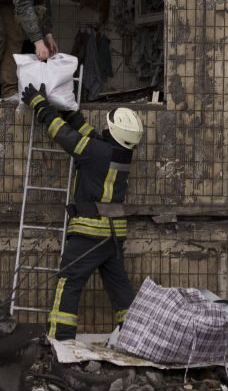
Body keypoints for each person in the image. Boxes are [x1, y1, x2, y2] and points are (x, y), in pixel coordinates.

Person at [20, 83, 145, 341]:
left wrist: (39, 105)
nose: (104, 129)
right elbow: (90, 137)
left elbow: (64, 136)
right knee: (119, 287)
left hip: (89, 232)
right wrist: (72, 114)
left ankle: (60, 338)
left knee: (69, 281)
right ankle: (136, 336)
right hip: (113, 235)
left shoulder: (96, 152)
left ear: (115, 131)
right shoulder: (120, 154)